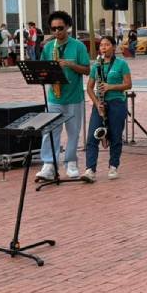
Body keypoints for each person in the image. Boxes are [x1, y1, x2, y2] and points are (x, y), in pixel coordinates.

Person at [36, 11, 91, 181]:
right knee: (50, 130)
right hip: (54, 96)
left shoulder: (78, 46)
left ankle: (71, 162)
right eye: (53, 29)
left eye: (60, 28)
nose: (57, 32)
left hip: (74, 96)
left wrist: (70, 64)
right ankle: (49, 164)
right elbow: (41, 69)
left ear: (68, 27)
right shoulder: (48, 47)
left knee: (73, 132)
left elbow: (87, 70)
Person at [83, 35, 132, 182]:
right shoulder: (97, 65)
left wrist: (111, 87)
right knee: (93, 136)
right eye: (102, 45)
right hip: (100, 104)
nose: (103, 47)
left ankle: (113, 166)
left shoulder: (121, 64)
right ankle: (90, 169)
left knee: (116, 136)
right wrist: (97, 103)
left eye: (107, 45)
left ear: (113, 47)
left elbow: (128, 84)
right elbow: (89, 88)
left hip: (117, 102)